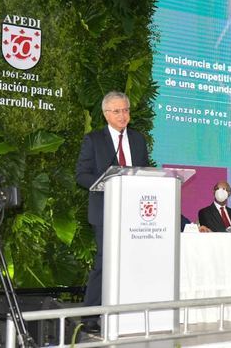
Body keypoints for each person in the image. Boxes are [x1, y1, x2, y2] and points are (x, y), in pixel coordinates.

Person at [75, 91, 149, 331]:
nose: (123, 115)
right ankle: (90, 317)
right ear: (106, 114)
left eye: (126, 110)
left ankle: (129, 311)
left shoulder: (138, 139)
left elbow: (144, 172)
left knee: (134, 261)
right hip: (105, 211)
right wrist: (106, 182)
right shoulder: (94, 139)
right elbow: (81, 175)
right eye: (117, 111)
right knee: (104, 262)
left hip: (134, 213)